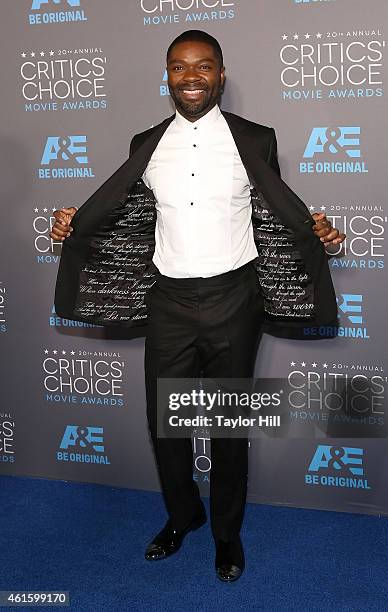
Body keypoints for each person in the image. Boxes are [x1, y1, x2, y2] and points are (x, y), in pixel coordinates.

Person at [50, 30, 345, 582]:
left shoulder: (256, 139)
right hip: (168, 301)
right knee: (166, 425)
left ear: (221, 75)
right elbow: (124, 215)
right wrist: (73, 224)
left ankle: (227, 535)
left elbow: (275, 212)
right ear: (167, 76)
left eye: (203, 66)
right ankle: (182, 516)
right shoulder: (145, 142)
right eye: (180, 67)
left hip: (236, 299)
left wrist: (319, 234)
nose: (191, 76)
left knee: (229, 427)